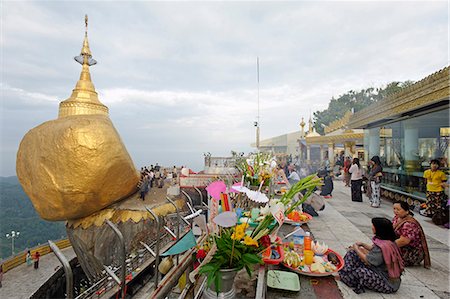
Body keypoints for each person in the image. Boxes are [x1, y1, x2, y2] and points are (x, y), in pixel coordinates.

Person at [339, 217, 403, 294]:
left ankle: (347, 278)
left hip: (388, 283)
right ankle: (345, 273)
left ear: (379, 229)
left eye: (373, 226)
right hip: (378, 271)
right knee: (352, 253)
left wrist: (356, 248)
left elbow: (368, 260)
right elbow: (375, 250)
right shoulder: (388, 241)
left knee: (361, 272)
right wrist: (363, 245)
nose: (372, 227)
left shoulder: (384, 245)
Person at [392, 201, 431, 268]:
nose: (395, 211)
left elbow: (404, 241)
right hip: (400, 247)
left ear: (407, 211)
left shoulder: (409, 224)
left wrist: (387, 246)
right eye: (394, 209)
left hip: (411, 252)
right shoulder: (396, 218)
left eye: (398, 209)